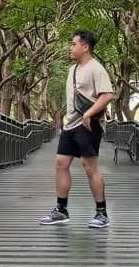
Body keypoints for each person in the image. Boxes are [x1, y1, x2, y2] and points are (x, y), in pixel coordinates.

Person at [39, 29, 114, 229]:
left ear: (85, 47)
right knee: (61, 163)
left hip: (89, 125)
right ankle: (61, 210)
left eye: (74, 44)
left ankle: (102, 213)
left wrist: (89, 114)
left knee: (90, 167)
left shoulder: (96, 69)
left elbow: (107, 95)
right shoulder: (73, 70)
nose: (70, 48)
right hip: (70, 124)